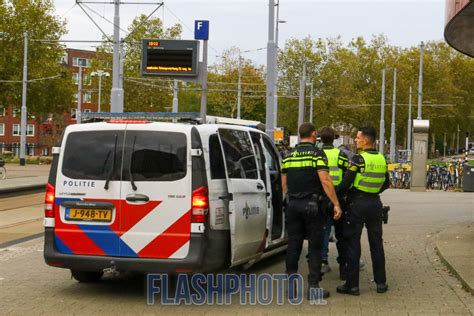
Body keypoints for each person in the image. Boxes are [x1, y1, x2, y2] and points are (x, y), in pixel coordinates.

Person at [281, 123, 342, 299]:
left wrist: (290, 198)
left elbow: (284, 183)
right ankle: (313, 287)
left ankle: (291, 288)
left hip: (293, 206)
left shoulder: (289, 156)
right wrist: (336, 203)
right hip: (313, 207)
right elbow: (325, 181)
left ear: (300, 135)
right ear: (314, 134)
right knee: (315, 247)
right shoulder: (317, 154)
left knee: (293, 245)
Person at [336, 126, 390, 296]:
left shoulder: (358, 159)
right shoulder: (382, 158)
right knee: (376, 244)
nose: (356, 140)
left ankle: (352, 286)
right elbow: (386, 183)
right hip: (375, 204)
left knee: (353, 243)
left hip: (358, 204)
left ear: (366, 140)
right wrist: (374, 191)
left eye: (358, 137)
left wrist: (333, 196)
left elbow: (345, 184)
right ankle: (381, 283)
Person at [318, 127, 349, 279]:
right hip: (338, 197)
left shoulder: (317, 154)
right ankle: (343, 265)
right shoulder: (340, 154)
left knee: (324, 231)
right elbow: (347, 174)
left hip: (322, 198)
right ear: (334, 139)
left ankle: (323, 261)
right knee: (341, 233)